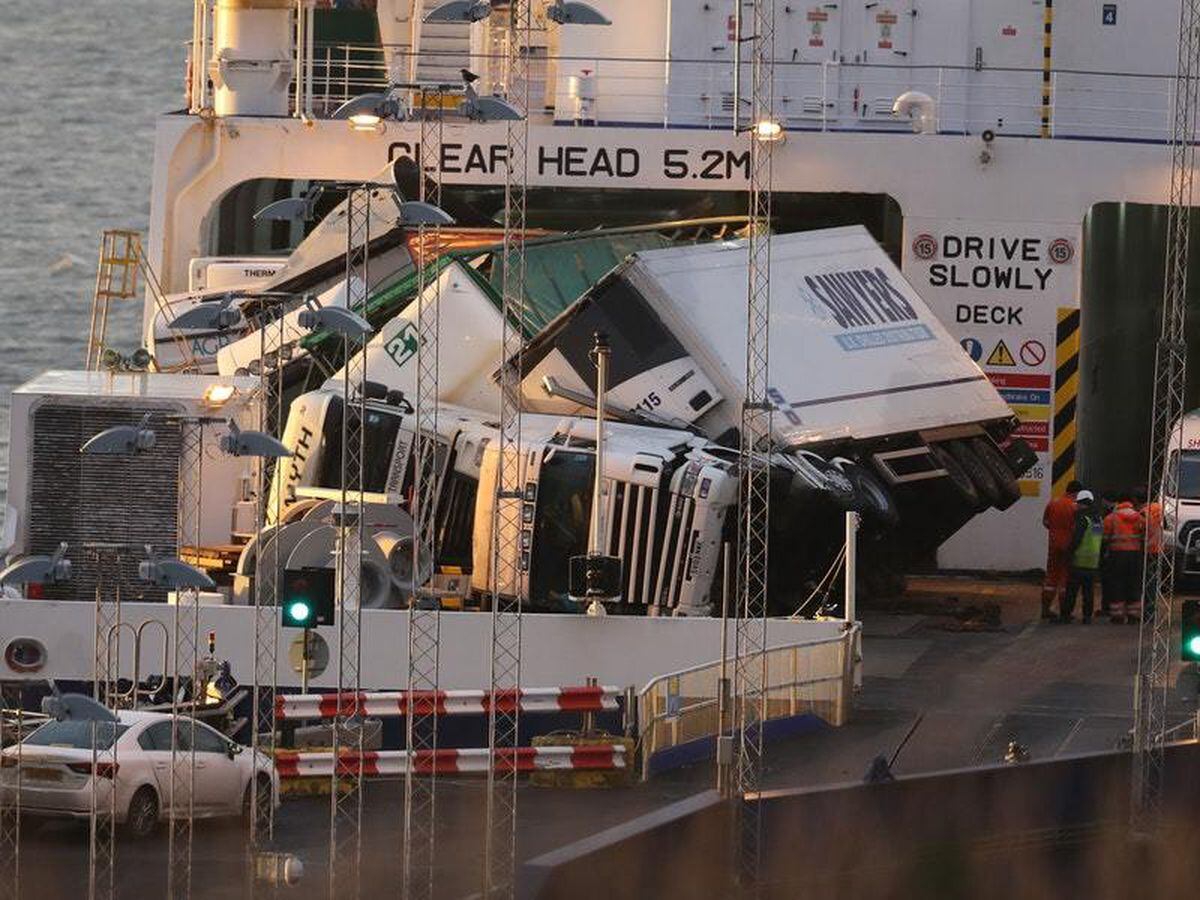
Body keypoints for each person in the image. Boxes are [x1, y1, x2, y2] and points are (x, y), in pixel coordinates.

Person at [1103, 491, 1146, 624]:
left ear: (1119, 503)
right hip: (1135, 555)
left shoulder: (1111, 518)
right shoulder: (1140, 517)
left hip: (1117, 555)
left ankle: (1117, 616)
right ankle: (1134, 616)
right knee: (1134, 583)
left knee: (1117, 584)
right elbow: (1144, 534)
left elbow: (1104, 538)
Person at [1041, 480, 1081, 620]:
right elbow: (1078, 528)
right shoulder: (1076, 507)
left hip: (1053, 545)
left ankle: (1045, 610)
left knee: (1051, 577)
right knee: (1065, 579)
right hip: (1068, 546)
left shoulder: (1053, 502)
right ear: (1077, 493)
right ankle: (1065, 612)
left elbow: (1045, 522)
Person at [1062, 490, 1102, 623]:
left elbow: (1077, 539)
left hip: (1079, 561)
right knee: (1088, 592)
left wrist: (1068, 553)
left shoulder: (1082, 518)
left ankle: (1065, 616)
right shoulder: (1097, 519)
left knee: (1071, 591)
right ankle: (1087, 617)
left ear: (1081, 503)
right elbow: (1097, 539)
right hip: (1093, 563)